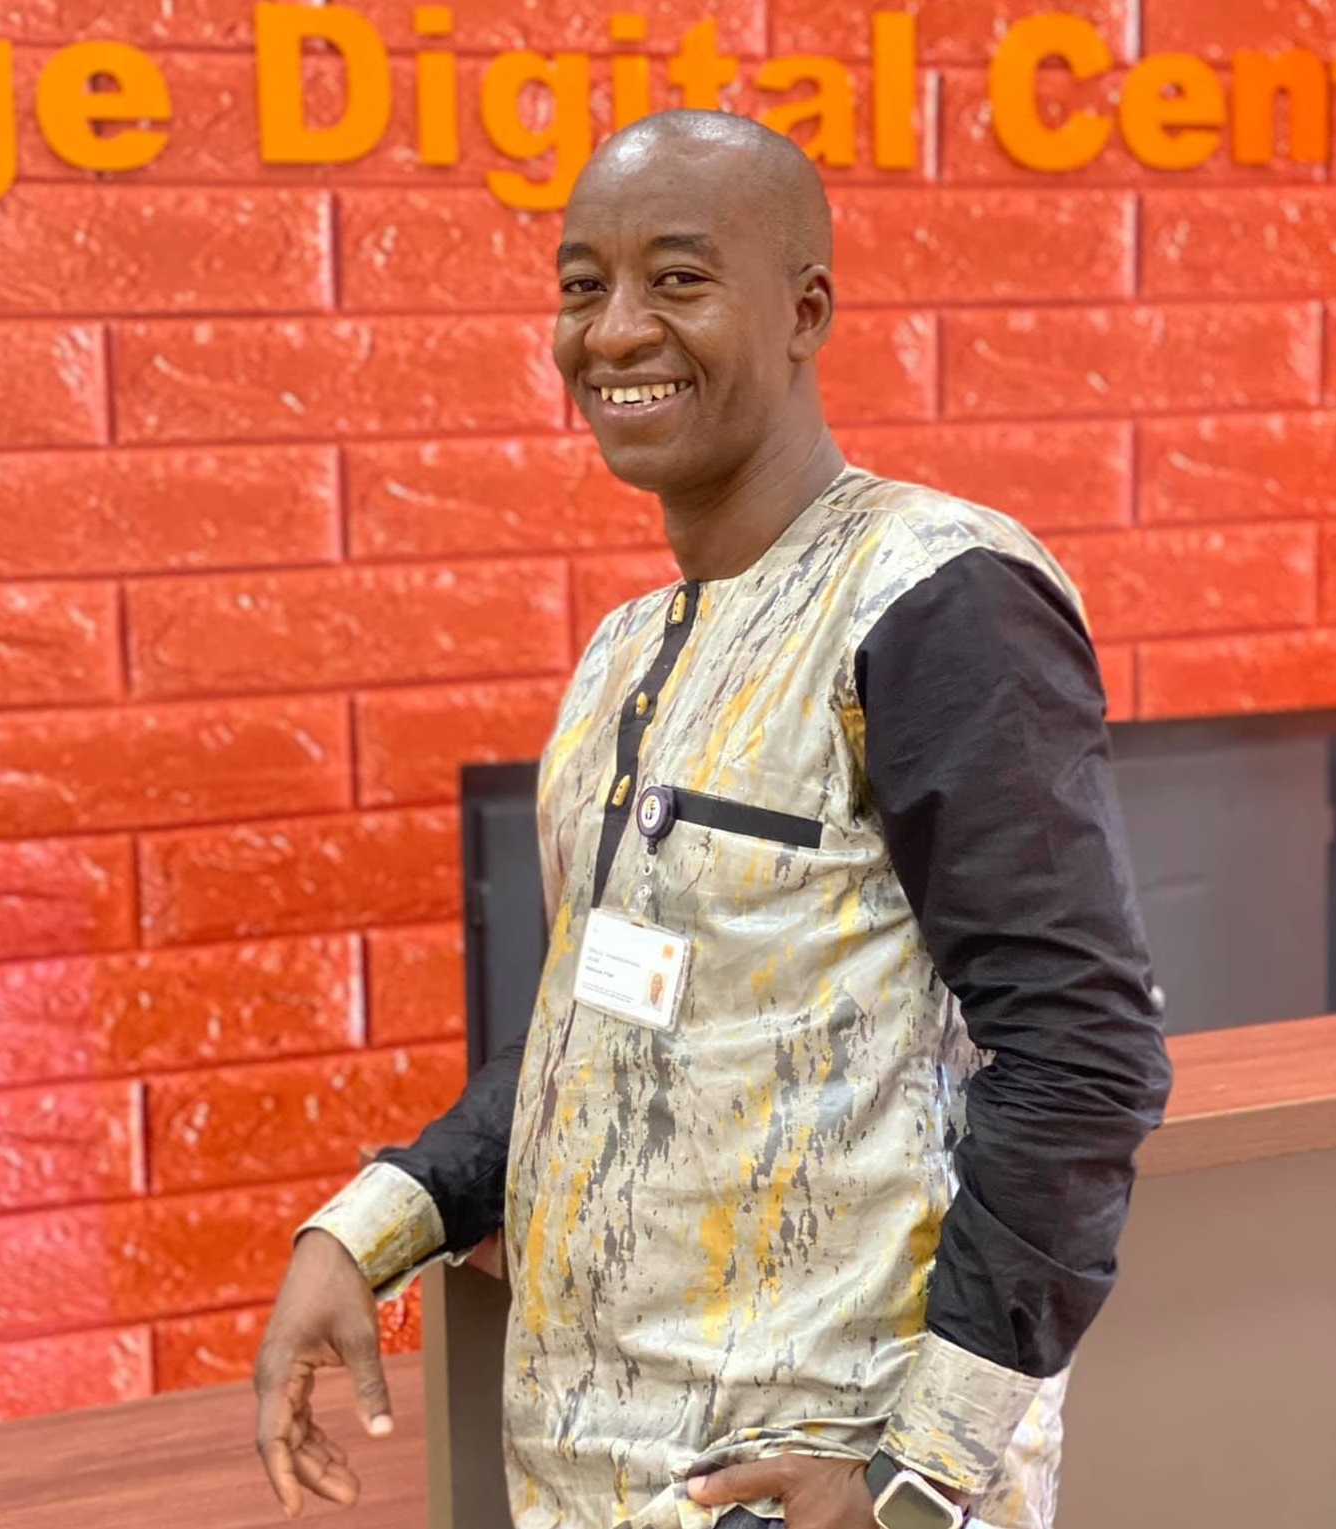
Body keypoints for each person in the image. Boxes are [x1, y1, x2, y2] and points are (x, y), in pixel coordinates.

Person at [253, 109, 1173, 1529]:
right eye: (583, 285)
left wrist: (922, 1476)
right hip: (594, 1483)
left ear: (805, 311)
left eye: (677, 279)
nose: (616, 330)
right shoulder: (625, 650)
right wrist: (367, 1225)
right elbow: (608, 1022)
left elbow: (1083, 1049)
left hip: (821, 1477)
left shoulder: (935, 593)